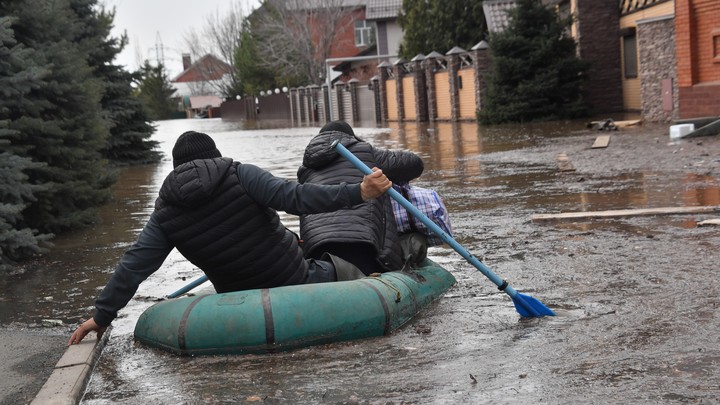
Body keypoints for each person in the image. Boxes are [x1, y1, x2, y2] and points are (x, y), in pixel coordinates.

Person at [69, 130, 392, 345]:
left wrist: (102, 315)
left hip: (234, 300)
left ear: (176, 167)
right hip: (295, 278)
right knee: (345, 266)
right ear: (215, 156)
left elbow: (134, 266)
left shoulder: (165, 212)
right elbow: (298, 198)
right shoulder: (240, 174)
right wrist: (359, 191)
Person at [297, 121, 424, 275]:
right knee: (415, 239)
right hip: (365, 249)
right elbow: (415, 164)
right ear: (351, 138)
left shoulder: (305, 170)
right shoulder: (366, 152)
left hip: (315, 250)